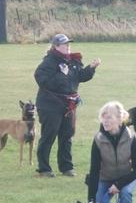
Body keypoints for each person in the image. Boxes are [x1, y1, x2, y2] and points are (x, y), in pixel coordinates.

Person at [34, 33, 101, 177]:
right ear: (56, 46)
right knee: (48, 136)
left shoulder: (72, 61)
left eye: (68, 44)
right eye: (65, 44)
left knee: (66, 136)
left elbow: (80, 76)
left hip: (68, 105)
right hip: (49, 105)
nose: (68, 46)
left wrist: (91, 68)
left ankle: (66, 167)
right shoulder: (48, 62)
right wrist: (61, 74)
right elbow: (42, 80)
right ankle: (44, 168)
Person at [87, 101, 136, 203]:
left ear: (119, 119)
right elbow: (94, 171)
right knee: (99, 202)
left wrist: (118, 185)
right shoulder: (98, 139)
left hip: (128, 177)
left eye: (109, 117)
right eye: (103, 117)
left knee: (125, 195)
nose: (105, 121)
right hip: (105, 178)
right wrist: (91, 200)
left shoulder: (131, 137)